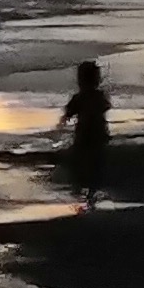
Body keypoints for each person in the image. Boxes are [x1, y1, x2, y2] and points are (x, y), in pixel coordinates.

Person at [61, 60, 111, 195]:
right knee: (97, 156)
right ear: (97, 80)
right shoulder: (99, 96)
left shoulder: (79, 97)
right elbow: (106, 106)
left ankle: (79, 182)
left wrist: (64, 120)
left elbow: (68, 112)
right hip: (98, 132)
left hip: (84, 133)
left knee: (80, 155)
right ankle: (93, 185)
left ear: (80, 80)